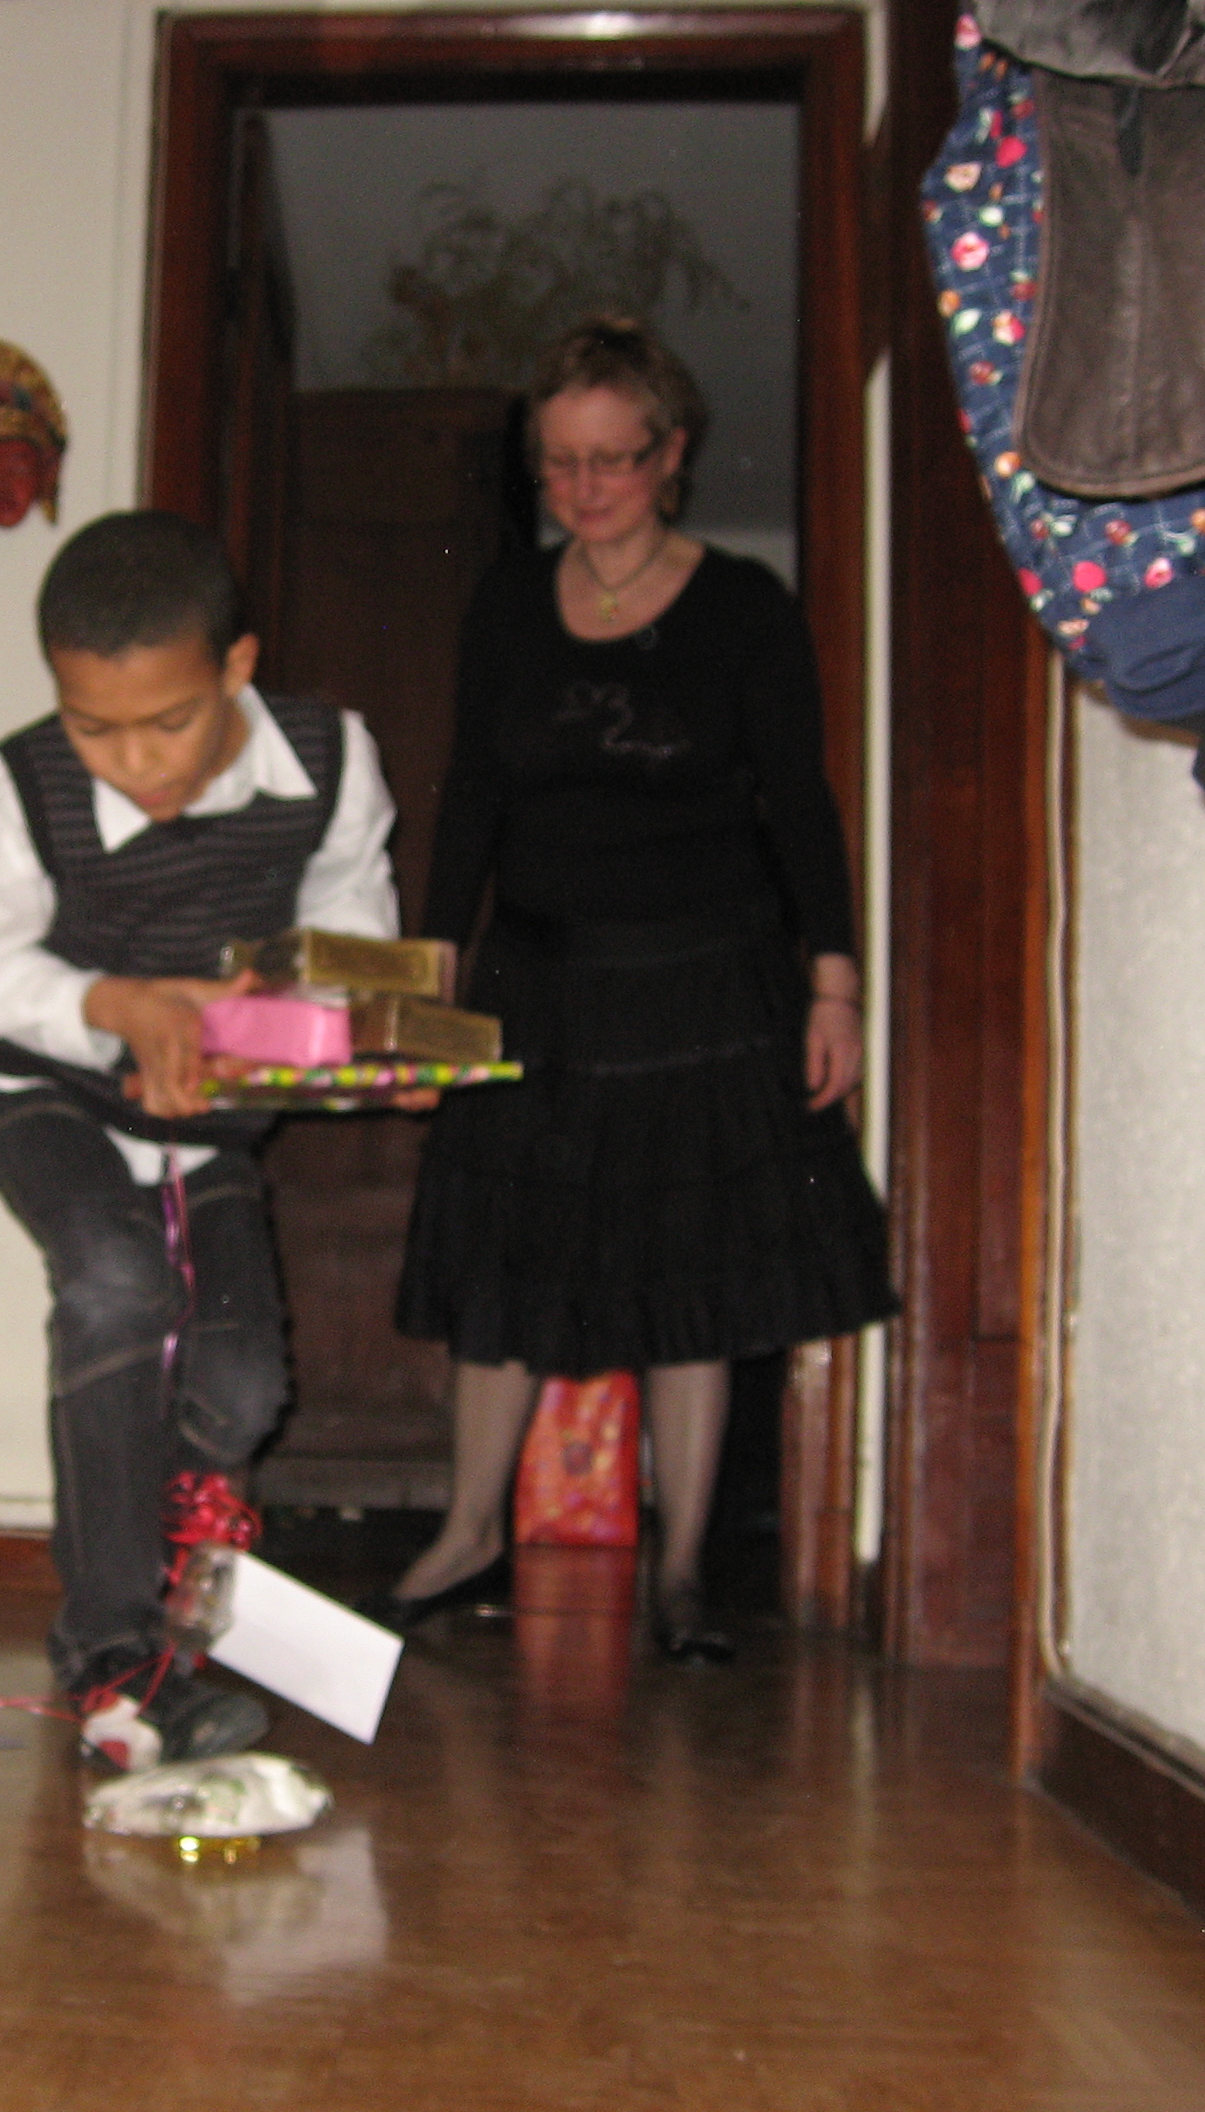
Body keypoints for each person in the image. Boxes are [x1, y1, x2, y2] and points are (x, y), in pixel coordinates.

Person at [374, 317, 899, 1659]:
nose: (583, 487)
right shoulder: (507, 604)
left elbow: (800, 807)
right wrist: (432, 973)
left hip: (702, 989)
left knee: (692, 1282)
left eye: (611, 458)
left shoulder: (743, 610)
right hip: (536, 981)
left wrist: (833, 987)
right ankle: (467, 1531)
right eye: (558, 462)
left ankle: (680, 1571)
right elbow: (470, 795)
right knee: (505, 1265)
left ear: (670, 455)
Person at [0, 512, 405, 1765]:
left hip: (208, 1125)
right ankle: (110, 1652)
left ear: (235, 666)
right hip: (49, 1098)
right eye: (92, 728)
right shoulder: (13, 787)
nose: (133, 761)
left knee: (241, 1387)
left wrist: (347, 1037)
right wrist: (117, 1006)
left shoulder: (329, 758)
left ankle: (173, 1631)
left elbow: (348, 931)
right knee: (116, 1286)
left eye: (168, 722)